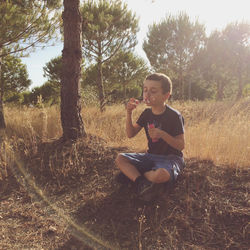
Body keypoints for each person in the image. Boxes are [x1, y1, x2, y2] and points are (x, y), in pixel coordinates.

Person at [115, 73, 185, 201]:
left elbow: (181, 145)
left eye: (153, 91)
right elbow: (130, 134)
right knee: (120, 158)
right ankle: (142, 183)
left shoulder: (174, 116)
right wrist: (129, 112)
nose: (147, 95)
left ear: (166, 95)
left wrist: (162, 134)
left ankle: (138, 177)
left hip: (170, 159)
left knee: (161, 175)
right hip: (150, 156)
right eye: (145, 90)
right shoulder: (146, 113)